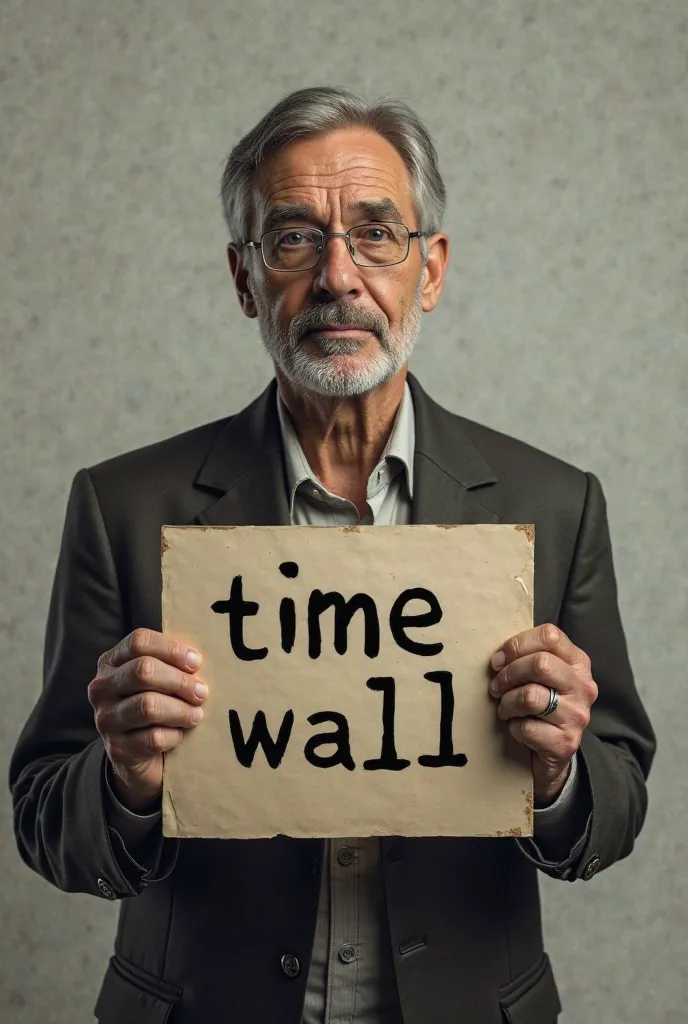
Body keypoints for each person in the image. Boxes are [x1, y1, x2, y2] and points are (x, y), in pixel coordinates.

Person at [9, 85, 655, 1024]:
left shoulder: (552, 504)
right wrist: (122, 781)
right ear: (245, 279)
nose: (338, 277)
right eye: (295, 238)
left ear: (429, 270)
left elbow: (620, 800)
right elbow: (44, 823)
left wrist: (556, 776)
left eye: (376, 233)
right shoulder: (124, 506)